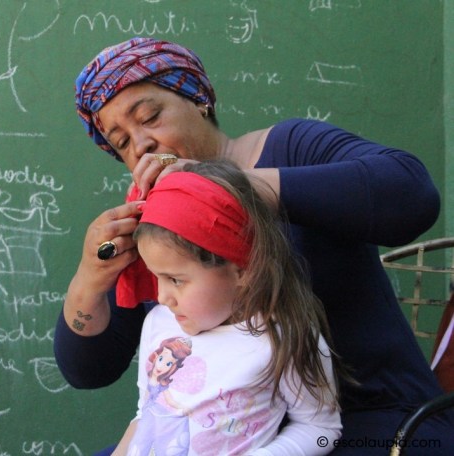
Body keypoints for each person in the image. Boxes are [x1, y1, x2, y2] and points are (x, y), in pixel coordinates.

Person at [55, 37, 454, 454]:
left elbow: (412, 195)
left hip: (379, 421)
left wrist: (235, 187)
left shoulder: (291, 147)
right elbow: (90, 371)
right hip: (224, 437)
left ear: (199, 100)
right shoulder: (157, 218)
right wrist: (91, 276)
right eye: (121, 142)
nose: (141, 145)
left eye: (149, 117)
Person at [111, 160, 342, 455]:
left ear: (241, 270)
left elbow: (321, 428)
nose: (162, 296)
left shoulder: (281, 338)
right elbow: (146, 412)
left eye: (176, 280)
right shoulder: (159, 322)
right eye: (156, 277)